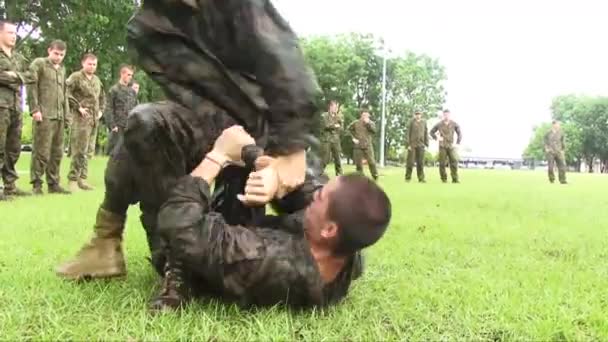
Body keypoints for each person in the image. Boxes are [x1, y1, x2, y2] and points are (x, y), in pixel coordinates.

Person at [55, 0, 321, 281]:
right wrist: (238, 152)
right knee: (144, 124)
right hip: (221, 133)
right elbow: (195, 102)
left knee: (336, 226)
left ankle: (108, 237)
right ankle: (131, 247)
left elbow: (284, 59)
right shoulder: (146, 30)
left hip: (277, 133)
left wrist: (291, 147)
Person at [148, 125, 391, 311]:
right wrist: (262, 163)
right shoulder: (347, 252)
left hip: (196, 248)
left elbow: (180, 225)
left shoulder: (264, 259)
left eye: (320, 198)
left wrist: (217, 156)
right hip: (250, 233)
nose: (315, 194)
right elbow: (308, 185)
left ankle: (177, 279)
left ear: (329, 230)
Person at [28, 40, 71, 195]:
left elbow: (65, 94)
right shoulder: (39, 64)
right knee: (41, 151)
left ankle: (53, 184)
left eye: (61, 55)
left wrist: (67, 116)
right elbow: (32, 86)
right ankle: (37, 184)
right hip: (44, 114)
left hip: (59, 115)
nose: (58, 57)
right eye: (56, 53)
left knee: (57, 152)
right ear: (49, 50)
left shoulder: (62, 70)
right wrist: (35, 109)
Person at [0, 20, 34, 200]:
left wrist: (16, 76)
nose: (14, 36)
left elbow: (31, 75)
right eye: (10, 33)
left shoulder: (18, 58)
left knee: (13, 148)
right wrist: (14, 78)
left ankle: (10, 186)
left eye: (15, 33)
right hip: (1, 106)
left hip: (15, 107)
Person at [65, 53, 105, 192]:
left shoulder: (96, 80)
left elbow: (102, 97)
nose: (92, 66)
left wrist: (101, 111)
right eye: (89, 64)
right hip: (80, 120)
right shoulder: (76, 77)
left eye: (94, 64)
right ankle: (73, 180)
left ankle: (82, 179)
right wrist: (77, 107)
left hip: (93, 121)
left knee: (88, 151)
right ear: (83, 63)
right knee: (79, 150)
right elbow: (66, 93)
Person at [104, 64, 137, 155]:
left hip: (129, 125)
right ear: (122, 74)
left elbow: (135, 108)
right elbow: (108, 108)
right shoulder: (114, 90)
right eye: (128, 75)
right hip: (118, 126)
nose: (130, 77)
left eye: (131, 75)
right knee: (116, 152)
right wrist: (112, 125)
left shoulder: (132, 92)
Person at [430, 109, 462, 183]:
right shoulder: (439, 124)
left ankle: (455, 179)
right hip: (442, 146)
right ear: (443, 115)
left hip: (451, 146)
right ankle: (444, 179)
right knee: (442, 163)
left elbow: (459, 133)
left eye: (447, 114)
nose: (446, 116)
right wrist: (437, 138)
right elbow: (431, 132)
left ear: (450, 115)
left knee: (454, 162)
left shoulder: (454, 124)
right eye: (445, 114)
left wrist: (458, 143)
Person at [348, 110, 378, 180]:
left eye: (367, 116)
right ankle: (360, 179)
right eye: (364, 115)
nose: (365, 117)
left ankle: (375, 176)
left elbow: (374, 131)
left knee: (371, 162)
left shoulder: (371, 123)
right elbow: (348, 130)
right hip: (358, 146)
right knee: (358, 164)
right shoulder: (356, 123)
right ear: (361, 115)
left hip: (368, 145)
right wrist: (353, 138)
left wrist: (368, 124)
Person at [320, 100, 343, 176]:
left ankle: (339, 176)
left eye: (337, 107)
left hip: (336, 140)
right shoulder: (324, 116)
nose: (336, 109)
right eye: (335, 107)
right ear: (330, 107)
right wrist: (335, 126)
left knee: (338, 159)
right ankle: (319, 173)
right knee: (325, 159)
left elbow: (341, 128)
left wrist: (335, 126)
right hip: (327, 140)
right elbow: (326, 126)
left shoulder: (338, 117)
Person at [405, 110, 428, 183]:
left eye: (419, 114)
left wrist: (426, 143)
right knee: (410, 162)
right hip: (412, 144)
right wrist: (408, 144)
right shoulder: (411, 122)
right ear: (414, 115)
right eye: (416, 114)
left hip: (421, 144)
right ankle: (408, 178)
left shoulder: (424, 122)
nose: (418, 115)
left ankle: (421, 178)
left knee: (420, 162)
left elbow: (426, 133)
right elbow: (407, 133)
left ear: (421, 115)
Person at [544, 120, 567, 184]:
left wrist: (563, 150)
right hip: (550, 152)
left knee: (562, 166)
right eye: (557, 124)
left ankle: (562, 180)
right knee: (550, 167)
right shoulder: (547, 133)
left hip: (559, 151)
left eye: (559, 125)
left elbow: (563, 142)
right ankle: (551, 179)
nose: (558, 126)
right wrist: (547, 149)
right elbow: (545, 142)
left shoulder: (561, 133)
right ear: (553, 125)